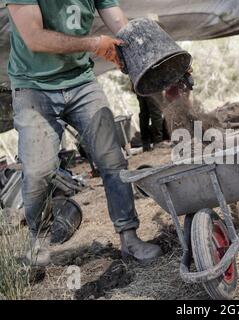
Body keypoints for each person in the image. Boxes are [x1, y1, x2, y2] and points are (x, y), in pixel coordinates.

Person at [5, 0, 162, 266]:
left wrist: (152, 57)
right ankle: (38, 242)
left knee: (112, 160)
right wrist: (93, 43)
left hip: (81, 83)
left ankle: (129, 238)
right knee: (38, 171)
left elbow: (121, 27)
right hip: (33, 86)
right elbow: (34, 38)